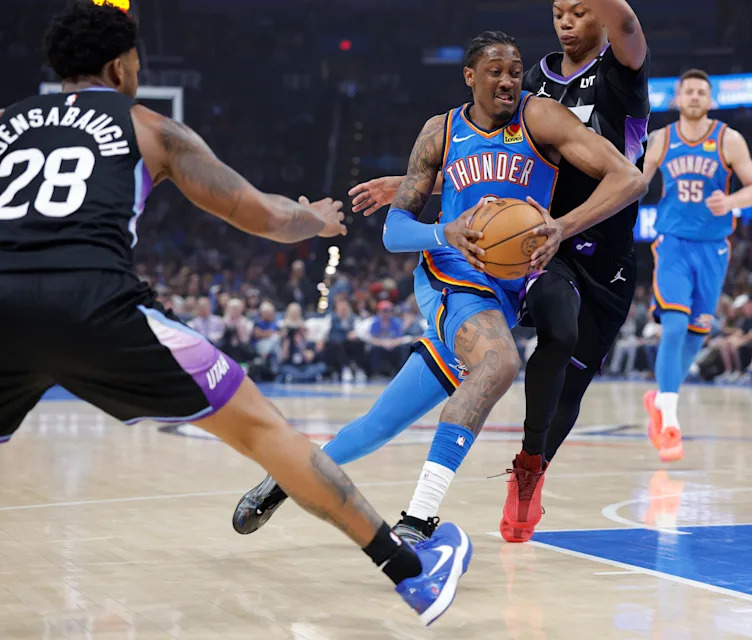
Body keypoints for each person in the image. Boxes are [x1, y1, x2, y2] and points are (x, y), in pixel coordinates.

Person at [0, 3, 470, 625]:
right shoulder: (149, 128)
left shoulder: (6, 124)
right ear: (118, 67)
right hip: (96, 303)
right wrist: (318, 220)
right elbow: (263, 215)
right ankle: (411, 574)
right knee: (268, 436)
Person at [232, 30, 646, 544]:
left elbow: (629, 176)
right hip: (452, 278)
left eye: (516, 71)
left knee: (380, 424)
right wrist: (443, 231)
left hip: (509, 288)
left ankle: (286, 476)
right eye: (495, 71)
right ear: (470, 77)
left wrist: (563, 225)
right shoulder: (440, 131)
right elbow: (393, 230)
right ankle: (418, 520)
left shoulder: (539, 117)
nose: (508, 81)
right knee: (499, 363)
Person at [339, 0, 657, 544]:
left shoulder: (620, 76)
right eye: (558, 10)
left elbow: (626, 27)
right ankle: (455, 367)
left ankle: (532, 460)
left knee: (572, 379)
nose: (565, 20)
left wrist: (560, 223)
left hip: (601, 248)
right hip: (537, 247)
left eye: (580, 11)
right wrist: (411, 183)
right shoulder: (527, 82)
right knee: (550, 328)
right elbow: (496, 167)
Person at [636, 68, 752, 462]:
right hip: (672, 244)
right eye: (687, 91)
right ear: (678, 99)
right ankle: (671, 422)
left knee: (695, 335)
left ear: (710, 100)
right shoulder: (661, 138)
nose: (693, 97)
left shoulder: (729, 139)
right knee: (673, 326)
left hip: (713, 249)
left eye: (700, 92)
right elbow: (638, 182)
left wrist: (731, 202)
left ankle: (659, 398)